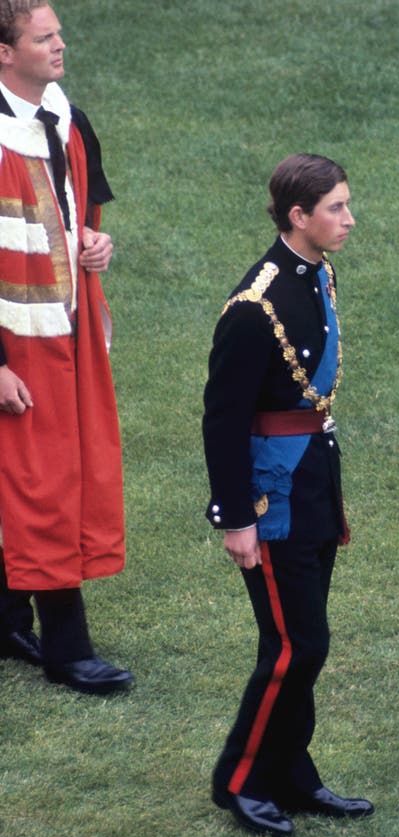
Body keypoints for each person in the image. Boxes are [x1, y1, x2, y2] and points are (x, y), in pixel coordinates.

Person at [203, 153, 374, 837]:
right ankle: (240, 780)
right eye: (336, 207)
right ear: (297, 216)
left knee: (308, 641)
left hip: (312, 481)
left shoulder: (316, 276)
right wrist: (236, 516)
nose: (349, 218)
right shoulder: (256, 304)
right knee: (292, 644)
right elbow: (223, 416)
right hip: (271, 499)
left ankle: (292, 772)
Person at [0, 1, 132, 694]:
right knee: (40, 483)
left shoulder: (64, 116)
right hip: (14, 346)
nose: (61, 46)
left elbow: (82, 208)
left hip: (64, 328)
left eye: (59, 33)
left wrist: (95, 244)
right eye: (44, 37)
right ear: (4, 52)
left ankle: (4, 617)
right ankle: (66, 648)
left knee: (53, 472)